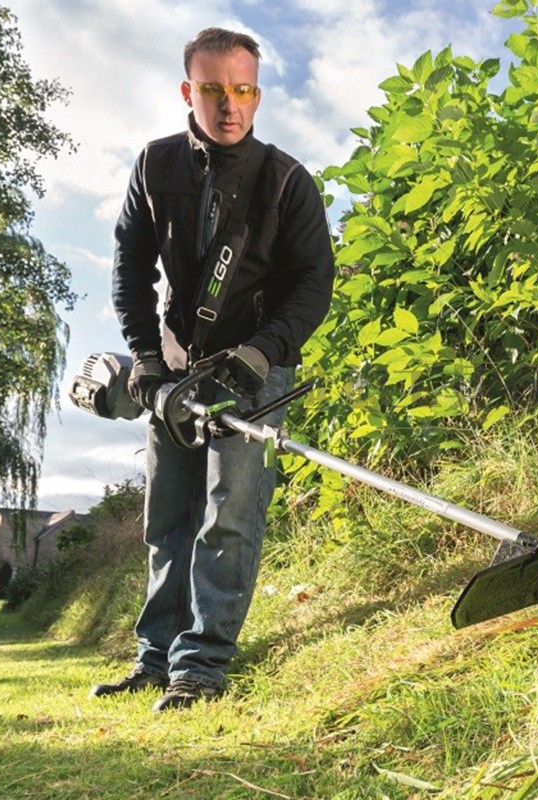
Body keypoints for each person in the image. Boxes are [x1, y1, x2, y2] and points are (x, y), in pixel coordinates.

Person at [91, 27, 334, 711]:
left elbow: (313, 283)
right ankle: (155, 659)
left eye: (244, 89)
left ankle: (200, 666)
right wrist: (144, 354)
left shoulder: (286, 180)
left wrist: (264, 350)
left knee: (229, 516)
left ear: (258, 93)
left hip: (254, 367)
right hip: (173, 367)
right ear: (187, 91)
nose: (230, 105)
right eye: (213, 89)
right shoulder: (155, 165)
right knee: (168, 516)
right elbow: (130, 268)